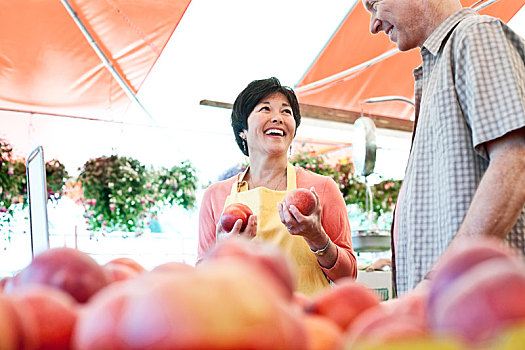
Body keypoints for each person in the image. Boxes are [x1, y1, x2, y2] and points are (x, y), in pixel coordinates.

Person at [362, 0, 525, 295]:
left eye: (374, 3)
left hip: (480, 312)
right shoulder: (441, 63)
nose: (374, 24)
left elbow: (516, 160)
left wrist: (442, 277)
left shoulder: (475, 35)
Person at [198, 77, 357, 296]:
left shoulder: (320, 189)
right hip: (238, 324)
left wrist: (316, 236)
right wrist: (226, 252)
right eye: (265, 109)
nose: (278, 118)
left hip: (307, 323)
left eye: (286, 112)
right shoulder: (216, 196)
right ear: (242, 130)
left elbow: (348, 277)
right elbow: (200, 282)